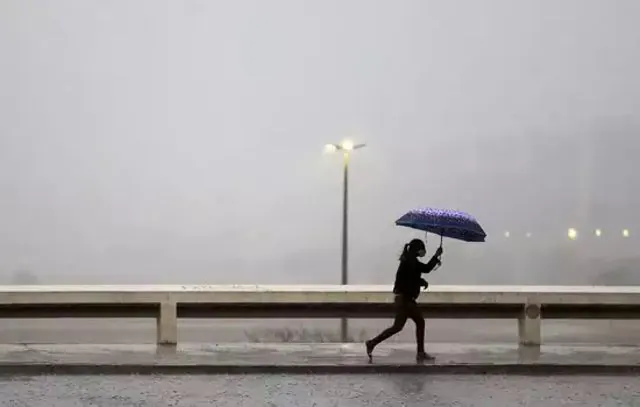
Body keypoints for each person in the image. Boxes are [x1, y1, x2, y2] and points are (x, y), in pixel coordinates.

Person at [365, 238, 443, 362]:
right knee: (419, 322)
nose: (424, 251)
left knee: (398, 327)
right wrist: (436, 256)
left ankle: (372, 343)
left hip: (402, 299)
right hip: (406, 300)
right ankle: (420, 353)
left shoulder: (409, 260)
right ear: (418, 249)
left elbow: (411, 277)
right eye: (422, 248)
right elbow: (425, 269)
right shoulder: (411, 261)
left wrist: (421, 281)